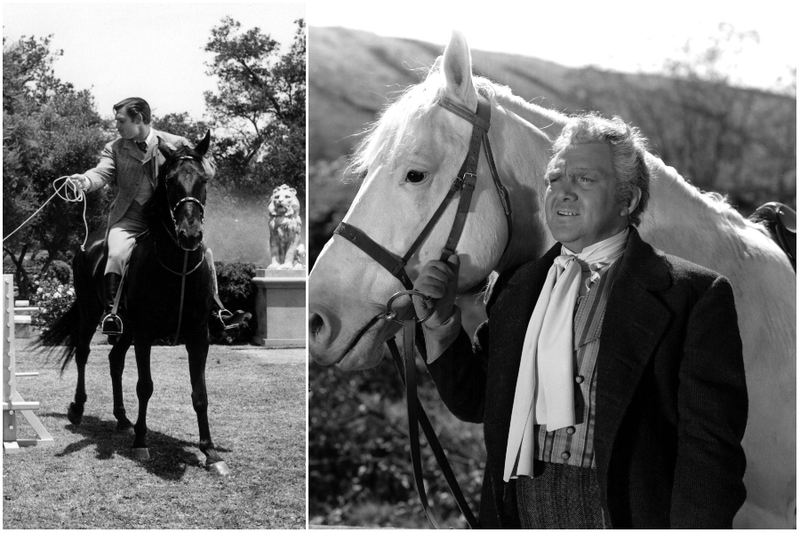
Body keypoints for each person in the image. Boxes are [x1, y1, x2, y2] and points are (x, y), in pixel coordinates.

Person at [412, 114, 748, 528]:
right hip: (521, 512)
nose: (562, 193)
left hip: (626, 515)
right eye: (555, 179)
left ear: (628, 200)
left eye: (585, 179)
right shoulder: (519, 286)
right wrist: (441, 321)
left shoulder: (693, 296)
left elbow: (710, 454)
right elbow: (477, 399)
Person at [69, 97, 217, 339]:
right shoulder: (114, 148)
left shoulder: (176, 143)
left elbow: (206, 172)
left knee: (205, 252)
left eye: (120, 120)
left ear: (138, 119)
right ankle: (112, 314)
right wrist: (84, 181)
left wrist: (194, 159)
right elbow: (101, 172)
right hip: (129, 219)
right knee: (116, 253)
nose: (116, 126)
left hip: (166, 221)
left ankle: (217, 310)